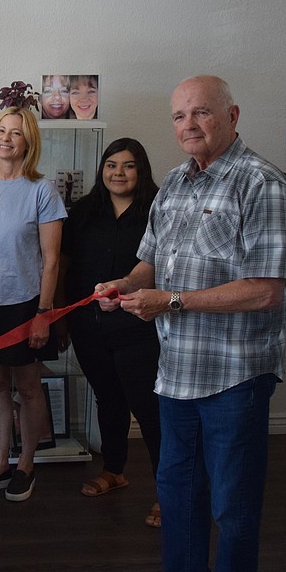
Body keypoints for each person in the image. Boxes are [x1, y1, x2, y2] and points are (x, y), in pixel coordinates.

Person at [98, 76, 286, 572]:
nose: (188, 124)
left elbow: (266, 289)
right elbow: (149, 265)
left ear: (232, 115)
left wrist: (174, 301)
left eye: (202, 113)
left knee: (233, 509)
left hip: (237, 375)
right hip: (177, 373)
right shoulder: (172, 187)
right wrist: (122, 285)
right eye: (179, 115)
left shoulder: (263, 183)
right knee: (178, 493)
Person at [0, 105, 65, 502]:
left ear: (28, 142)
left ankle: (26, 466)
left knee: (28, 386)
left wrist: (43, 314)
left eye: (16, 133)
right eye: (1, 131)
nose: (6, 138)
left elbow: (52, 259)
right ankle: (0, 463)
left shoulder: (42, 190)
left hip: (25, 304)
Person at [58, 137, 161, 527]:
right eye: (111, 164)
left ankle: (166, 491)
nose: (119, 173)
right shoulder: (84, 211)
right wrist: (63, 321)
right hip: (89, 326)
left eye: (129, 165)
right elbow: (65, 267)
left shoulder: (157, 211)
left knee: (149, 411)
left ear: (142, 170)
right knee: (108, 399)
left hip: (139, 325)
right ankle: (114, 470)